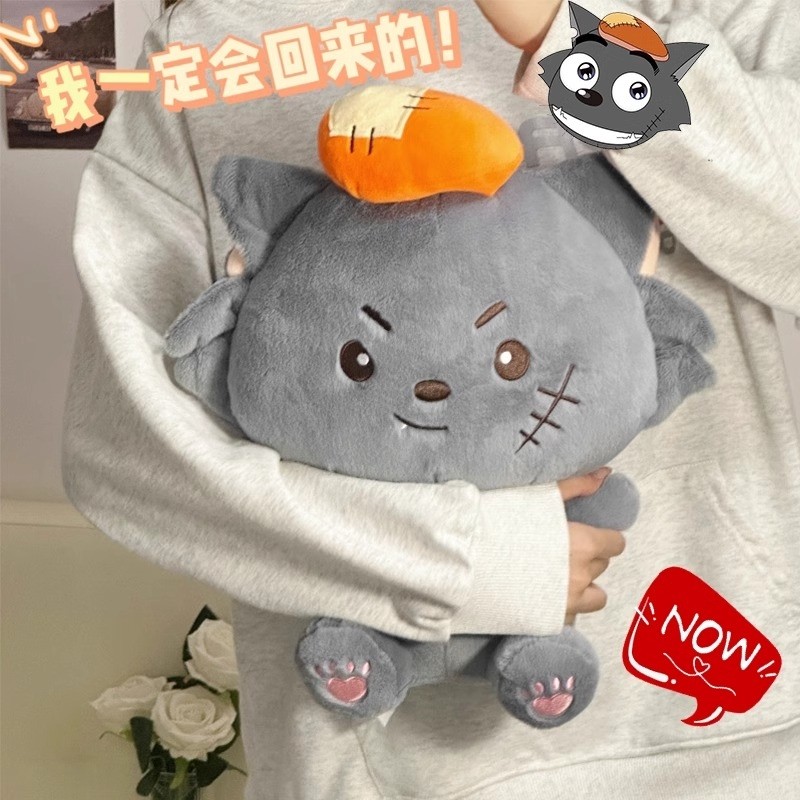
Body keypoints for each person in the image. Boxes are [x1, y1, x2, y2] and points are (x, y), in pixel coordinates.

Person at [63, 0, 800, 797]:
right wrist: (477, 559)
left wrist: (572, 38)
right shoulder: (218, 38)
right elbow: (121, 446)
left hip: (733, 730)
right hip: (371, 759)